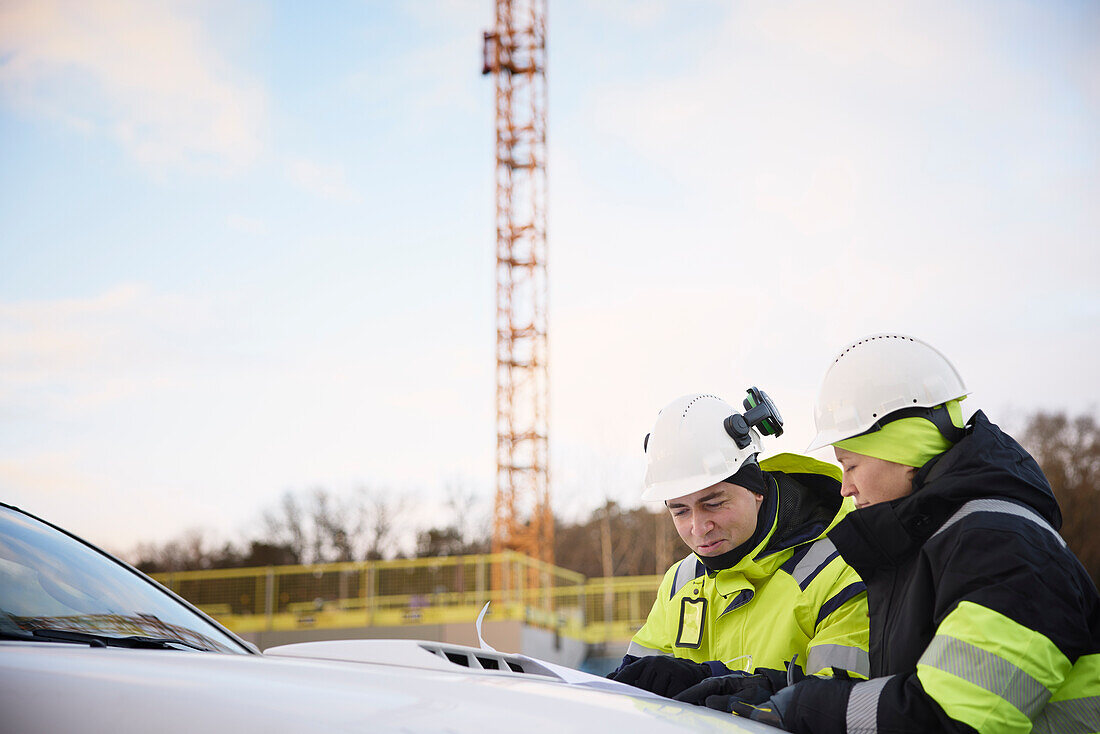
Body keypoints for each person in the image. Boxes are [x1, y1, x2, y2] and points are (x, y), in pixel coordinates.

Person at [686, 334, 1100, 733]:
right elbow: (897, 688)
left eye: (851, 465)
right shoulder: (938, 545)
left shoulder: (1008, 549)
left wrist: (806, 707)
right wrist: (772, 690)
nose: (845, 487)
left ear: (903, 452)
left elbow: (950, 718)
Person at [608, 390, 870, 700]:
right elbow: (628, 691)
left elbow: (838, 702)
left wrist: (722, 682)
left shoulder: (844, 569)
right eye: (680, 511)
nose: (698, 528)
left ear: (756, 490)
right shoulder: (680, 581)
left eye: (714, 504)